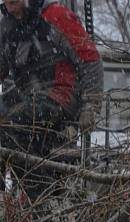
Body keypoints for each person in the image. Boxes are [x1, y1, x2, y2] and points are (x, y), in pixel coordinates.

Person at [0, 0, 101, 203]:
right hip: (27, 97)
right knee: (9, 121)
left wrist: (91, 105)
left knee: (9, 126)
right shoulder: (7, 26)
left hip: (61, 95)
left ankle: (43, 202)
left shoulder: (55, 15)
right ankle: (4, 201)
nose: (11, 3)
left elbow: (90, 59)